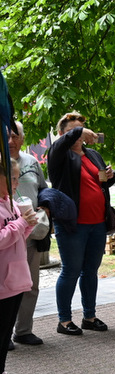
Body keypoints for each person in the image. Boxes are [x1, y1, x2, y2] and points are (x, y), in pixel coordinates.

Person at [48, 112, 115, 336]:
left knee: (90, 271)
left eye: (81, 130)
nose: (79, 135)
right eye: (73, 131)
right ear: (61, 134)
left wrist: (110, 176)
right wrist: (79, 131)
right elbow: (61, 145)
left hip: (97, 223)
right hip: (72, 224)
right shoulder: (58, 155)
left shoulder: (93, 154)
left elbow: (102, 183)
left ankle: (89, 316)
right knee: (71, 271)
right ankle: (64, 320)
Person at [8, 121, 47, 347]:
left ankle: (23, 330)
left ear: (23, 139)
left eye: (16, 136)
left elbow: (43, 189)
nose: (11, 141)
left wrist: (46, 206)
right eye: (7, 136)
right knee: (5, 286)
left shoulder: (32, 162)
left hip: (31, 233)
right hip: (7, 234)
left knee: (30, 284)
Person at [0, 160, 37, 374]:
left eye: (17, 178)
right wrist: (21, 223)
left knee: (5, 331)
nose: (16, 183)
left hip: (14, 277)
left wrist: (27, 224)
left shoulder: (10, 204)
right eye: (12, 178)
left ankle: (1, 370)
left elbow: (16, 235)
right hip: (2, 279)